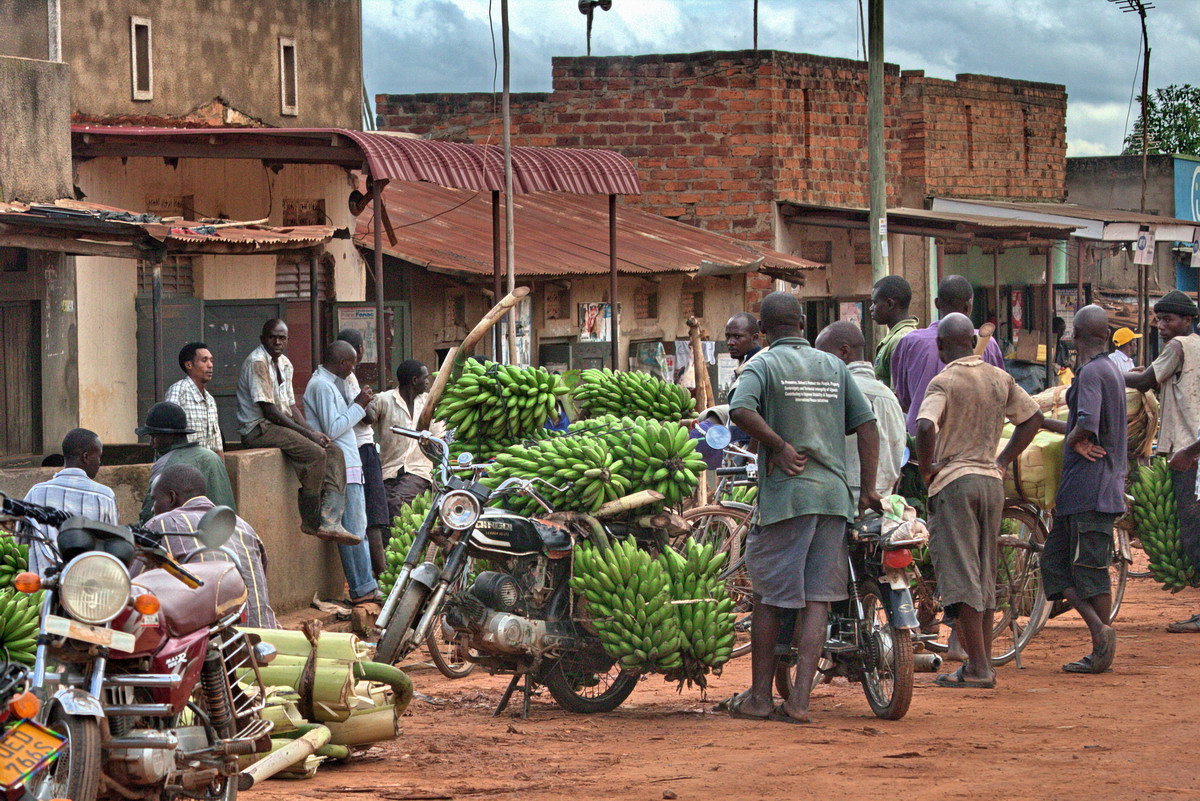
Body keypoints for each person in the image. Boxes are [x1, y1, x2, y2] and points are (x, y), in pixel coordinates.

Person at [726, 291, 880, 724]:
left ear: (763, 330)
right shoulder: (833, 365)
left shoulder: (762, 364)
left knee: (771, 598)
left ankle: (759, 698)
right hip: (833, 498)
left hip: (789, 497)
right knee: (818, 600)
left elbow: (740, 409)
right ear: (802, 324)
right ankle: (799, 702)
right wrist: (866, 488)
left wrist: (776, 445)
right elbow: (866, 424)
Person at [915, 313, 1042, 688]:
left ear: (940, 346)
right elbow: (1032, 418)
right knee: (984, 573)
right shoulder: (998, 377)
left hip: (955, 483)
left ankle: (979, 668)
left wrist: (926, 469)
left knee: (963, 574)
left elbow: (925, 425)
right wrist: (1002, 460)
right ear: (972, 343)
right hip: (991, 483)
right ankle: (979, 663)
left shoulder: (945, 380)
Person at [1039, 305, 1125, 673]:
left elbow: (1087, 424)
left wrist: (1076, 439)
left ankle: (1101, 642)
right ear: (1105, 335)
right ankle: (1099, 631)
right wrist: (1048, 424)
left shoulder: (1091, 372)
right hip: (1086, 490)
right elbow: (1083, 424)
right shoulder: (1111, 370)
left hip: (1091, 489)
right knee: (1054, 564)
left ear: (1075, 336)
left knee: (1089, 571)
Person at [236, 319, 354, 543]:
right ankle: (311, 521)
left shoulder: (285, 364)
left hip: (277, 425)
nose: (278, 342)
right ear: (263, 339)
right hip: (258, 429)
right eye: (273, 337)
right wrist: (309, 435)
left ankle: (331, 521)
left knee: (333, 450)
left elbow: (290, 407)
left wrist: (313, 432)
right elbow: (269, 410)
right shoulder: (257, 362)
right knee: (315, 454)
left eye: (282, 338)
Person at [1126, 290, 1200, 633]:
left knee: (1192, 533)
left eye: (1167, 320)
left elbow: (1143, 381)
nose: (1160, 326)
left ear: (1187, 321)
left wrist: (1101, 372)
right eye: (1157, 319)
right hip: (1192, 450)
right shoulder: (1195, 347)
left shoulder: (1178, 347)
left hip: (1189, 453)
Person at [142, 463, 279, 629]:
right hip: (263, 635)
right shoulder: (243, 526)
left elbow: (133, 586)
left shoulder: (160, 525)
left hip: (212, 643)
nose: (152, 508)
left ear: (171, 497)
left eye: (155, 499)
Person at [303, 340, 379, 622]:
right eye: (352, 364)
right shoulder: (321, 386)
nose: (354, 368)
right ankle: (363, 589)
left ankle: (365, 585)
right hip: (341, 462)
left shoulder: (330, 383)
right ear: (343, 363)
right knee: (355, 528)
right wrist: (359, 405)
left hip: (349, 460)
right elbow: (332, 429)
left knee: (355, 527)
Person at [892, 275, 1005, 434]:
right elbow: (1000, 396)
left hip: (921, 440)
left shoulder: (910, 342)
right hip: (972, 439)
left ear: (937, 303)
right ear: (968, 306)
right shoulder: (988, 343)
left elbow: (903, 399)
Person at [815, 321, 907, 502]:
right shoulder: (887, 394)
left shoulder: (840, 390)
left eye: (823, 355)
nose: (820, 363)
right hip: (884, 495)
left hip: (851, 496)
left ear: (844, 351)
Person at [23, 428, 117, 576]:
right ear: (85, 457)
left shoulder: (35, 493)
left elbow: (22, 542)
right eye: (98, 457)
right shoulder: (105, 496)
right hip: (85, 591)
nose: (100, 462)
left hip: (43, 591)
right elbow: (110, 548)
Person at [337, 329, 391, 577]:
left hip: (351, 449)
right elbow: (368, 418)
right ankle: (380, 576)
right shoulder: (348, 379)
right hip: (362, 449)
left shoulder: (334, 378)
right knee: (374, 516)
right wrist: (367, 398)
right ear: (359, 350)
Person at [138, 402, 235, 522]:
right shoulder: (212, 457)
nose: (151, 443)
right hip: (224, 533)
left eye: (154, 437)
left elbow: (149, 516)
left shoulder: (165, 464)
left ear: (169, 436)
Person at [374, 360, 442, 519]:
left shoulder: (429, 403)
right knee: (379, 507)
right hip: (389, 470)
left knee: (397, 502)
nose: (427, 382)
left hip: (418, 471)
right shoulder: (384, 400)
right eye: (425, 378)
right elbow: (364, 422)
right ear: (414, 380)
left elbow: (438, 437)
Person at [165, 342, 223, 453]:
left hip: (204, 466)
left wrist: (221, 469)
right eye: (204, 360)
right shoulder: (178, 391)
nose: (210, 365)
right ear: (189, 365)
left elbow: (217, 445)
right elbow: (167, 436)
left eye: (211, 360)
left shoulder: (210, 400)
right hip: (182, 465)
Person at [870, 275, 919, 387]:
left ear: (890, 304)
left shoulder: (900, 339)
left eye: (875, 303)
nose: (871, 308)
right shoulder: (898, 336)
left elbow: (897, 395)